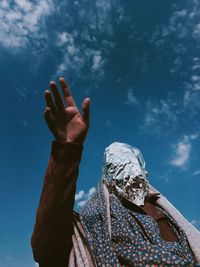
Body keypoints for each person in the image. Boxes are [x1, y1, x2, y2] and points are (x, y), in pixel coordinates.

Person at [31, 78, 200, 267]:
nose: (129, 172)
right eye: (117, 168)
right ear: (107, 178)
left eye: (132, 163)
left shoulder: (165, 213)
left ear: (144, 170)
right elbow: (46, 249)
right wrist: (67, 151)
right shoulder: (94, 220)